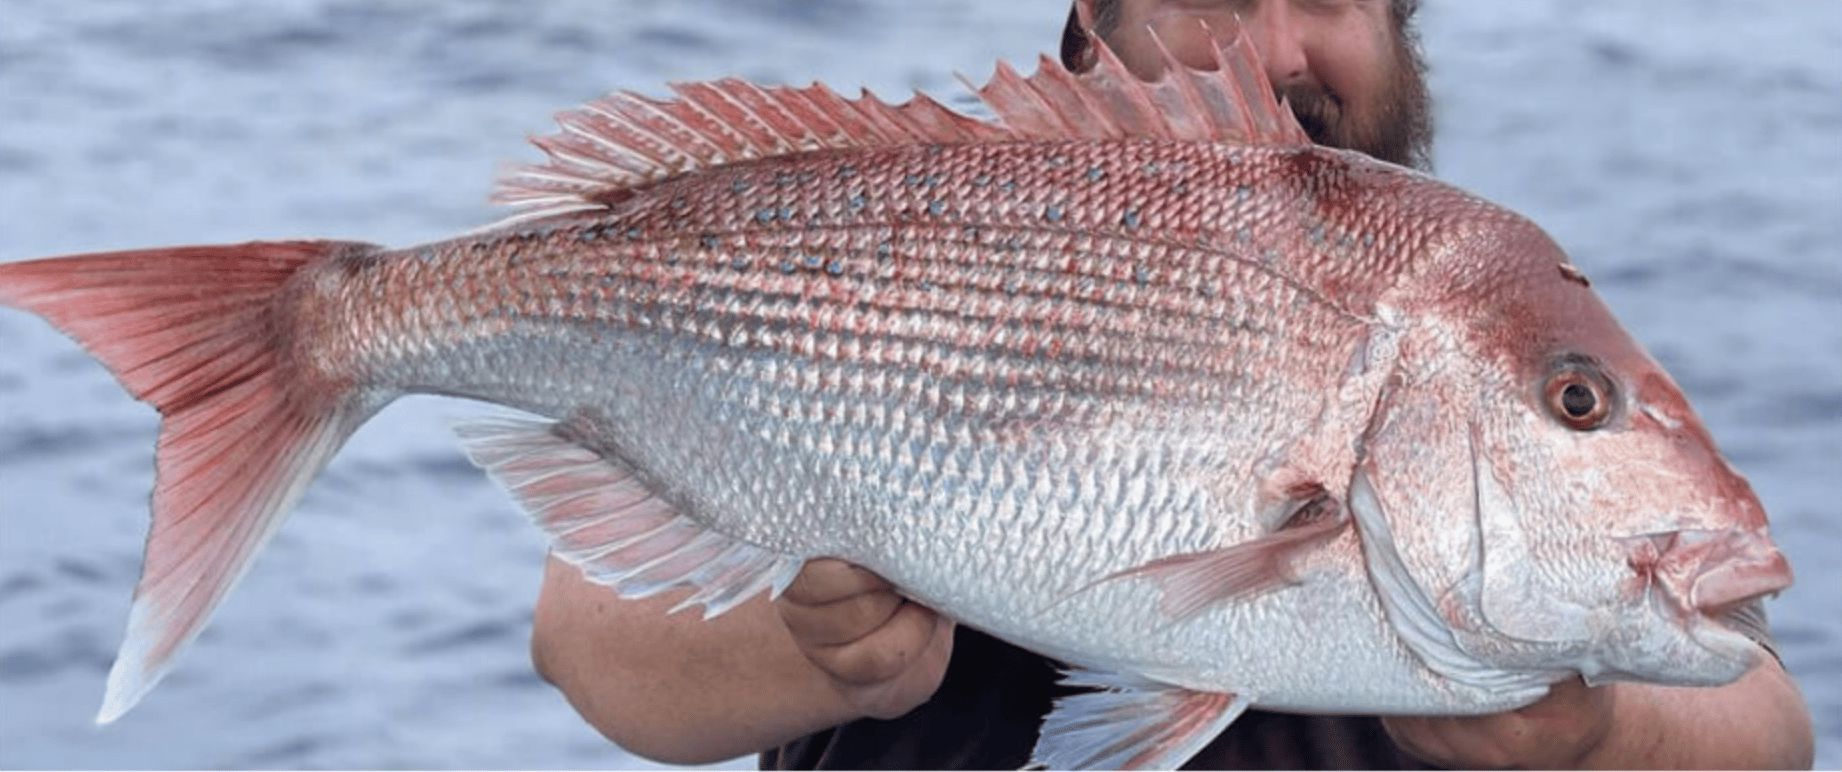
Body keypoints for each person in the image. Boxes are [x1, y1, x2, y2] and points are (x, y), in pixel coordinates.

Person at [529, 0, 1817, 768]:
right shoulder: (890, 232)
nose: (1271, 47)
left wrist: (1588, 741)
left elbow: (1762, 724)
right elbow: (596, 647)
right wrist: (824, 655)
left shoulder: (1494, 309)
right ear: (1096, 29)